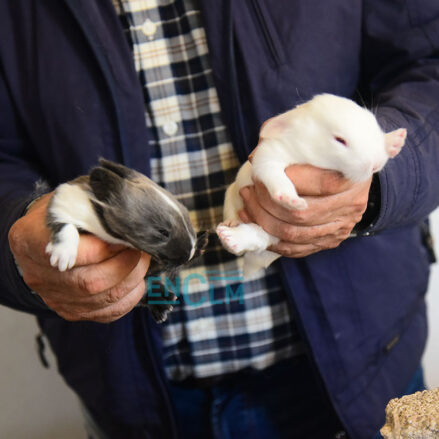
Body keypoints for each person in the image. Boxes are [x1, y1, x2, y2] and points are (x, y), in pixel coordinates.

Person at [1, 1, 439, 438]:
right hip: (134, 401)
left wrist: (376, 180)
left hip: (367, 368)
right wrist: (18, 246)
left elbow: (429, 63)